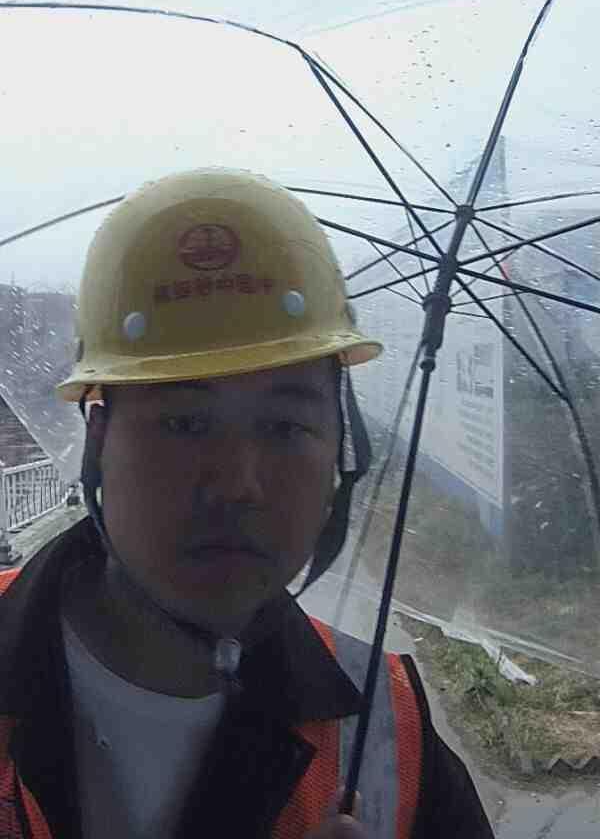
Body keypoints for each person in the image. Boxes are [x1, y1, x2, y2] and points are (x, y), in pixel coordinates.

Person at [0, 169, 493, 839]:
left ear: (340, 452)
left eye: (285, 426)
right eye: (183, 423)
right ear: (98, 442)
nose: (237, 483)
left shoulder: (389, 737)